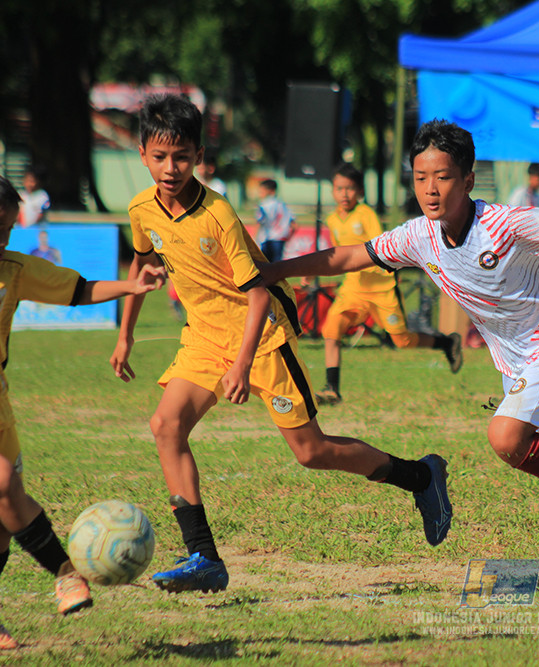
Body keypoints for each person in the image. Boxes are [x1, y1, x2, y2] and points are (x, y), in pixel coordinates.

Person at [260, 119, 539, 596]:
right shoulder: (418, 236)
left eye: (442, 177)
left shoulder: (504, 224)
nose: (430, 189)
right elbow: (346, 257)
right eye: (420, 178)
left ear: (467, 179)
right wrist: (275, 271)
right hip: (520, 364)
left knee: (506, 437)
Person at [109, 94, 453, 595]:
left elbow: (256, 294)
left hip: (262, 335)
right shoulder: (141, 209)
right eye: (160, 157)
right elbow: (142, 267)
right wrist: (125, 335)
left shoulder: (218, 214)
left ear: (199, 156)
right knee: (165, 425)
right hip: (204, 337)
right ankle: (203, 555)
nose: (170, 168)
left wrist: (243, 363)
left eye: (181, 157)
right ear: (141, 153)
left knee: (311, 452)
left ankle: (420, 477)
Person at [0, 175, 166, 649]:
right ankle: (66, 571)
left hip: (0, 407)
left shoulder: (13, 269)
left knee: (3, 515)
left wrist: (135, 285)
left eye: (10, 227)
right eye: (0, 227)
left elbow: (78, 290)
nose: (6, 238)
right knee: (2, 485)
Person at [315, 163, 463, 405]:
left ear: (360, 191)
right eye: (339, 188)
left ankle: (446, 342)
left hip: (381, 288)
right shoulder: (332, 220)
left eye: (350, 189)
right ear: (332, 190)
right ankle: (332, 389)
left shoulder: (366, 215)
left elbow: (380, 245)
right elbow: (339, 253)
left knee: (402, 342)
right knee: (331, 331)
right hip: (353, 289)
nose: (344, 194)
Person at [255, 179, 295, 262]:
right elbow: (294, 225)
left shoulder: (264, 205)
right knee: (277, 268)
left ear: (270, 191)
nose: (260, 194)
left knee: (265, 267)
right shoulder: (283, 205)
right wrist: (288, 237)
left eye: (262, 191)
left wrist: (255, 238)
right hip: (280, 239)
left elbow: (260, 222)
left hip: (267, 239)